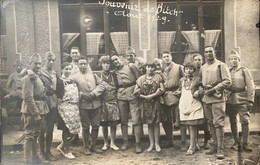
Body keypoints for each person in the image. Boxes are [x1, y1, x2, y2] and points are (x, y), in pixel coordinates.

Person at [200, 46, 231, 159]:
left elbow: (228, 81)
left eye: (210, 51)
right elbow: (199, 81)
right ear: (204, 54)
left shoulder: (221, 65)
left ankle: (220, 149)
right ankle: (214, 146)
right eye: (206, 52)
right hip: (207, 98)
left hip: (217, 98)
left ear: (214, 52)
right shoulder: (203, 67)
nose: (208, 54)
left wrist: (214, 89)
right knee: (210, 123)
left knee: (218, 123)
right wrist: (202, 90)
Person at [71, 56, 105, 155]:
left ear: (87, 64)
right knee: (85, 127)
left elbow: (102, 85)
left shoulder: (93, 75)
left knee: (96, 126)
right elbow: (71, 89)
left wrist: (94, 93)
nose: (83, 66)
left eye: (84, 64)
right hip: (84, 105)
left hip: (96, 104)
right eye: (81, 64)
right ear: (77, 65)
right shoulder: (74, 77)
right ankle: (85, 147)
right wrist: (81, 94)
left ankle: (93, 146)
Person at [21, 53, 49, 164]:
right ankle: (28, 161)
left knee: (36, 134)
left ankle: (36, 159)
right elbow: (28, 97)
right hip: (31, 111)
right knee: (29, 136)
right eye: (35, 63)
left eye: (39, 64)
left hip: (41, 108)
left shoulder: (37, 76)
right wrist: (36, 114)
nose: (38, 66)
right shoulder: (28, 78)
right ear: (30, 64)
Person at [111, 55, 142, 154]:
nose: (115, 61)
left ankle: (137, 143)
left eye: (116, 59)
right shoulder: (114, 72)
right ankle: (125, 142)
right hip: (121, 95)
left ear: (121, 59)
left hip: (133, 93)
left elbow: (139, 79)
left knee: (136, 119)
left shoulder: (130, 66)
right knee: (123, 121)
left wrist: (138, 91)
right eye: (113, 61)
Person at [226, 49, 255, 152]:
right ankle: (236, 142)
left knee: (245, 121)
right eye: (232, 59)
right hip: (230, 99)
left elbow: (251, 86)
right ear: (229, 60)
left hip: (242, 98)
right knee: (232, 120)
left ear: (239, 60)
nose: (234, 61)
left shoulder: (244, 70)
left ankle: (245, 144)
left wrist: (250, 100)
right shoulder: (227, 71)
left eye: (236, 59)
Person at [134, 61, 165, 152]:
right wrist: (144, 97)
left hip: (156, 102)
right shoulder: (141, 79)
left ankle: (157, 144)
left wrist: (152, 96)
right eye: (148, 67)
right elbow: (136, 92)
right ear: (145, 68)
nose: (150, 69)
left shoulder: (158, 77)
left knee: (156, 123)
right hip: (146, 104)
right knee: (149, 124)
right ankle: (151, 144)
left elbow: (162, 89)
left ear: (154, 68)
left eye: (152, 67)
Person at [56, 62, 81, 159]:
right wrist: (60, 107)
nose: (68, 71)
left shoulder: (73, 81)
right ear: (62, 70)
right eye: (66, 69)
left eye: (69, 69)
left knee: (74, 130)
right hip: (64, 107)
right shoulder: (60, 81)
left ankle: (61, 146)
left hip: (74, 107)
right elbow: (58, 96)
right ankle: (67, 150)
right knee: (66, 130)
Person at [178, 62, 204, 155]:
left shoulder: (197, 79)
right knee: (188, 124)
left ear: (194, 70)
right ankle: (195, 144)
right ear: (184, 70)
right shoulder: (181, 80)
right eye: (186, 69)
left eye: (190, 68)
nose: (188, 70)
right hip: (185, 102)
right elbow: (180, 90)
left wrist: (198, 91)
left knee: (193, 125)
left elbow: (201, 89)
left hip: (194, 102)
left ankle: (191, 147)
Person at [160, 51, 185, 149]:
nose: (166, 58)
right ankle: (170, 140)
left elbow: (185, 79)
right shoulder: (160, 69)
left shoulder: (179, 67)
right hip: (165, 95)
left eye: (167, 56)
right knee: (166, 119)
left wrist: (180, 90)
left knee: (180, 119)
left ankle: (183, 141)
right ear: (162, 59)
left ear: (171, 57)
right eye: (164, 57)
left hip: (176, 95)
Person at [38, 52, 59, 161]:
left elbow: (59, 86)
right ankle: (42, 152)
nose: (51, 62)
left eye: (52, 60)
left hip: (53, 103)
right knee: (42, 129)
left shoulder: (55, 73)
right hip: (43, 102)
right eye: (48, 60)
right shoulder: (39, 72)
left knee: (50, 129)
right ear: (44, 60)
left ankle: (48, 151)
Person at [98, 56, 120, 151]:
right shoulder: (99, 75)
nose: (106, 65)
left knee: (113, 124)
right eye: (104, 63)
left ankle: (113, 143)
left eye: (107, 63)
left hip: (113, 102)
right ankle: (105, 142)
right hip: (103, 103)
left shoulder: (114, 75)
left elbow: (118, 87)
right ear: (101, 65)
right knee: (104, 124)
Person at [192, 53, 211, 149]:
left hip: (204, 97)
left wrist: (201, 90)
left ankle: (207, 140)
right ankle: (195, 142)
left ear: (202, 61)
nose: (197, 62)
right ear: (193, 61)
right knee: (195, 118)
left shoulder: (205, 69)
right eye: (195, 60)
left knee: (206, 119)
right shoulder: (190, 71)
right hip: (194, 98)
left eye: (199, 60)